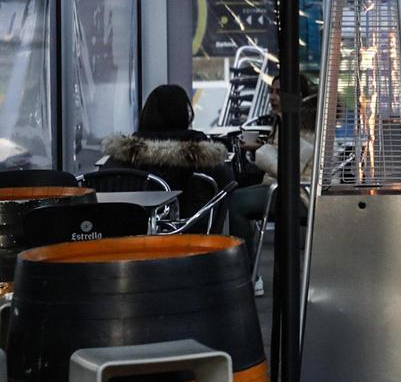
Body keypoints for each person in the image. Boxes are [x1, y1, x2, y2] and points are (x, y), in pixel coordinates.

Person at [230, 78, 318, 294]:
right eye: (271, 91)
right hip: (285, 190)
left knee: (236, 203)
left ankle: (248, 274)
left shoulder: (304, 124)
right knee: (236, 197)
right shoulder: (285, 120)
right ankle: (247, 272)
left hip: (300, 195)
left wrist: (260, 148)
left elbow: (289, 167)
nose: (273, 97)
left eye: (279, 92)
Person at [102, 84, 236, 221]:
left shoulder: (123, 157)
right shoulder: (202, 158)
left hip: (134, 233)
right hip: (192, 233)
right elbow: (228, 188)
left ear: (146, 114)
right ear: (185, 114)